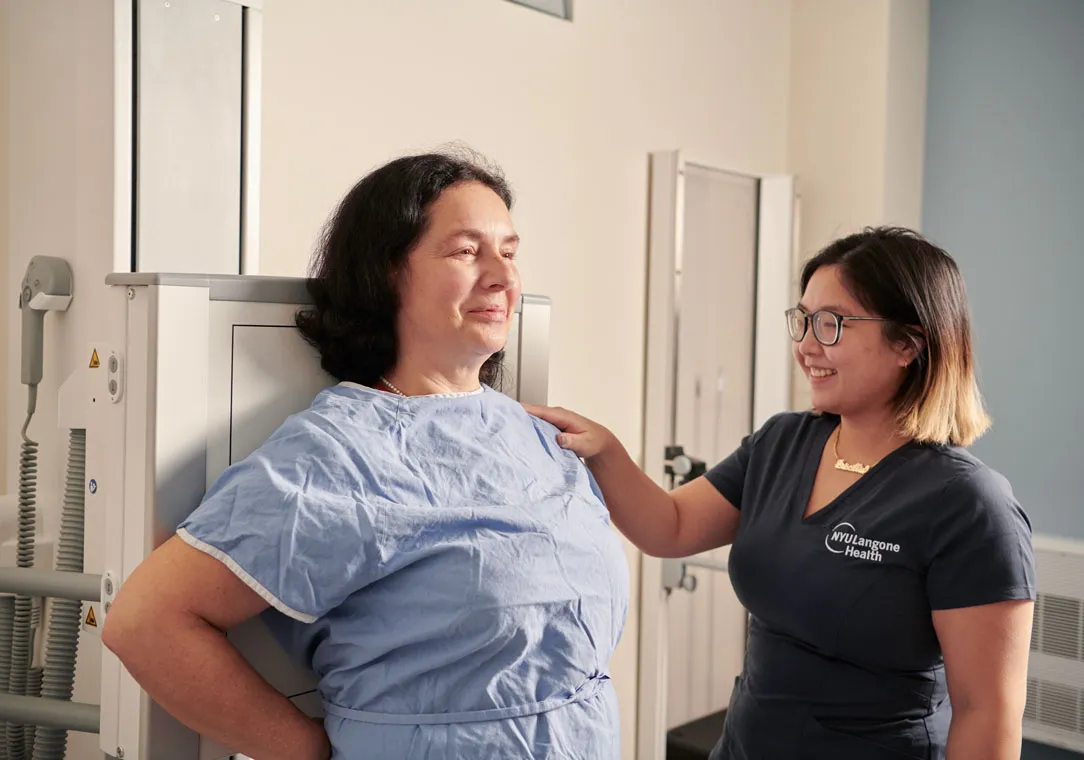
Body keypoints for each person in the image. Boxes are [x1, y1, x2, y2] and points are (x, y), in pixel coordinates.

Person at [101, 151, 630, 760]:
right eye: (465, 251)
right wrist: (308, 752)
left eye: (508, 252)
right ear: (386, 272)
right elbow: (146, 623)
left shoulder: (536, 433)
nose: (502, 277)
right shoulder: (343, 453)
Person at [526, 227, 1035, 760]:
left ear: (908, 342)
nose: (806, 345)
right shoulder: (784, 442)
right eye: (803, 320)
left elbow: (988, 714)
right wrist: (604, 450)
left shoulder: (968, 504)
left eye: (832, 324)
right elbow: (671, 527)